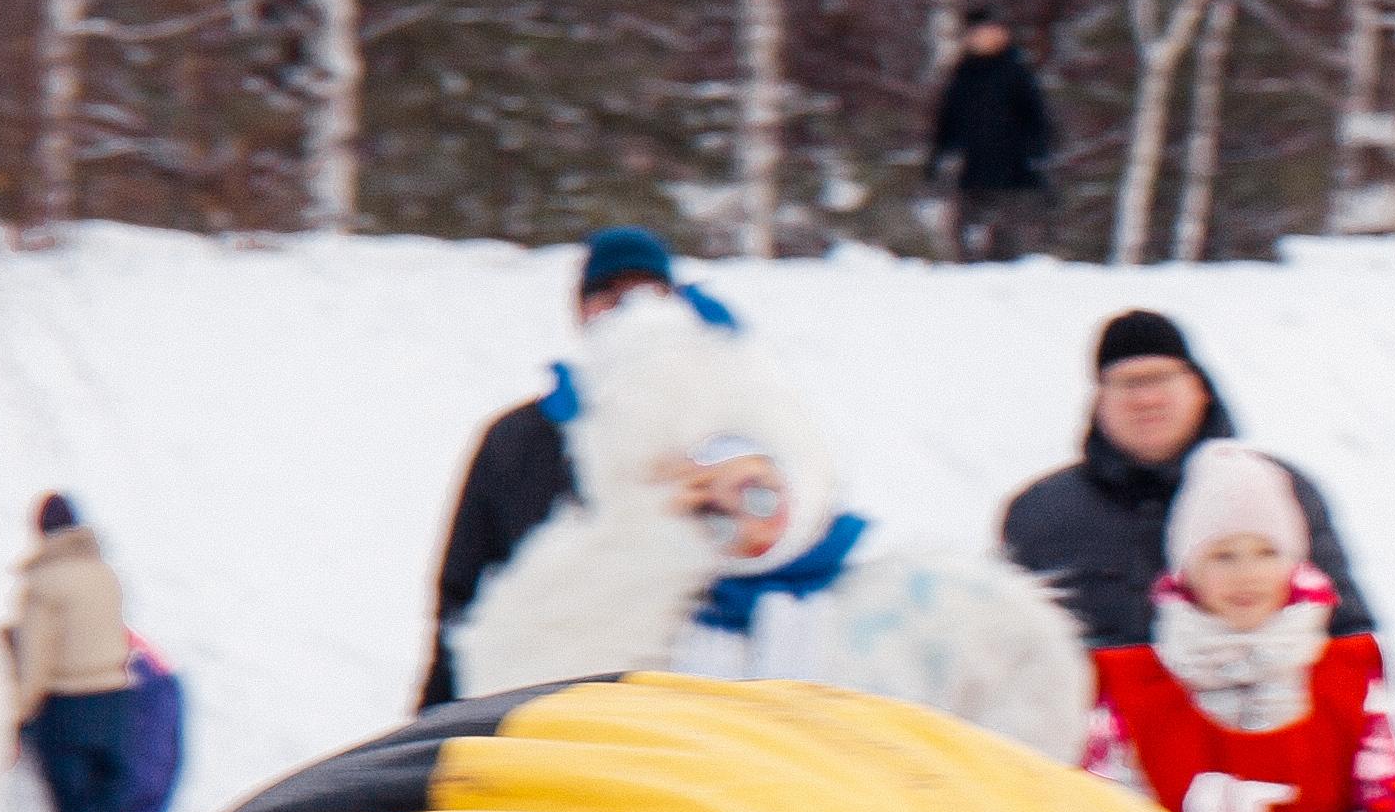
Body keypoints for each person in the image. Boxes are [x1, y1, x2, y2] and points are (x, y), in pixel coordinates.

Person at [452, 299, 1093, 759]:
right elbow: (510, 709)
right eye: (704, 502)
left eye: (756, 486)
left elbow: (1034, 679)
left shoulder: (913, 605)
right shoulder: (623, 622)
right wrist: (645, 552)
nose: (740, 516)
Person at [1078, 440, 1395, 812]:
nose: (1247, 574)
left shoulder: (1346, 678)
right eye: (1223, 555)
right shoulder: (1129, 690)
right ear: (1187, 567)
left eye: (1267, 552)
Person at [421, 228, 726, 709]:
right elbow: (464, 591)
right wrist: (435, 720)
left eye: (648, 291)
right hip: (540, 701)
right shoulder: (517, 438)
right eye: (608, 294)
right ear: (581, 310)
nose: (629, 308)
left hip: (673, 709)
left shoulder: (712, 432)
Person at [998, 313, 1374, 656]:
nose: (1146, 399)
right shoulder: (1041, 513)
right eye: (1126, 384)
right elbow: (1004, 656)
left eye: (1162, 378)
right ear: (1099, 401)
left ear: (1200, 389)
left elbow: (1348, 638)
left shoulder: (1276, 489)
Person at [3, 492, 142, 812]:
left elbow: (35, 659)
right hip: (115, 701)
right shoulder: (106, 575)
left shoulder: (42, 583)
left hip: (67, 707)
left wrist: (19, 716)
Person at [926, 10, 1055, 263]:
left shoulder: (1016, 72)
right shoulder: (963, 74)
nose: (984, 39)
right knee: (969, 235)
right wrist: (939, 156)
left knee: (1009, 240)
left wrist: (1036, 153)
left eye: (990, 33)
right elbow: (949, 120)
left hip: (1014, 168)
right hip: (973, 168)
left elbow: (1036, 118)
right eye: (977, 34)